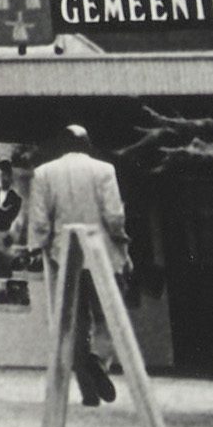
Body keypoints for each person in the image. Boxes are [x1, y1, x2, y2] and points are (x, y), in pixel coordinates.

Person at [24, 125, 133, 405]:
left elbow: (39, 220)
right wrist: (122, 244)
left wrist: (40, 247)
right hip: (102, 253)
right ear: (88, 144)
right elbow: (114, 216)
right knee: (108, 316)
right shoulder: (104, 170)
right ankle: (99, 360)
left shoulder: (44, 173)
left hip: (64, 256)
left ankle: (88, 391)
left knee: (74, 323)